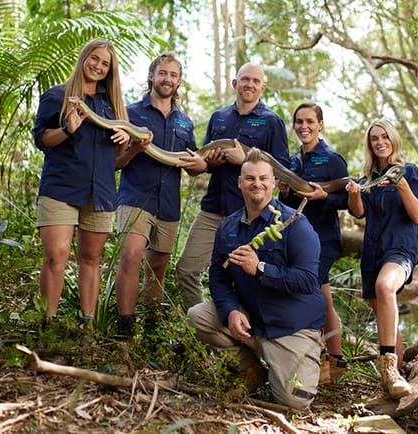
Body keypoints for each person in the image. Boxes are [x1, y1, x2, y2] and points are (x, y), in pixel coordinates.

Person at [188, 148, 325, 410]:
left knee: (294, 402)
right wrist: (230, 311)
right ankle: (252, 367)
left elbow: (308, 280)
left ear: (274, 183)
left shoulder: (295, 223)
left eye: (263, 178)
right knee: (198, 316)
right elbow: (217, 274)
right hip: (251, 322)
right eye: (250, 178)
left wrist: (260, 268)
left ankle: (306, 358)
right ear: (240, 183)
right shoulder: (228, 226)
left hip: (290, 327)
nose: (257, 184)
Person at [32, 38, 133, 328]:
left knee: (91, 258)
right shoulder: (57, 96)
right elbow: (42, 140)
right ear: (84, 58)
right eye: (95, 59)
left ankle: (87, 326)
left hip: (100, 191)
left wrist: (124, 142)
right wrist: (67, 128)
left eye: (105, 64)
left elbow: (112, 158)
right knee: (56, 254)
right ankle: (47, 326)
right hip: (61, 187)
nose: (99, 66)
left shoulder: (111, 107)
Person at [175, 63, 289, 310]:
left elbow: (282, 169)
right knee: (186, 269)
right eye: (245, 79)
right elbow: (204, 160)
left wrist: (245, 161)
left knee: (246, 278)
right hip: (213, 207)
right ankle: (201, 329)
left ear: (262, 87)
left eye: (255, 81)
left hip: (251, 215)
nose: (250, 85)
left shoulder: (272, 122)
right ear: (235, 83)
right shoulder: (219, 117)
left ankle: (243, 336)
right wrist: (207, 162)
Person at [113, 51, 207, 338]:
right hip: (135, 197)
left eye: (173, 75)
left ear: (179, 81)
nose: (168, 79)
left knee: (157, 268)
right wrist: (134, 149)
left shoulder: (185, 122)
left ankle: (152, 330)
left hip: (168, 204)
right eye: (162, 73)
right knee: (130, 255)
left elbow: (190, 164)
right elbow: (116, 162)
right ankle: (125, 327)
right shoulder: (130, 113)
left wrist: (200, 165)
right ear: (152, 76)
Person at [345, 119, 418, 400]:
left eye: (384, 137)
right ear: (369, 145)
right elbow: (358, 213)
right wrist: (355, 194)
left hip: (400, 250)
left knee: (385, 287)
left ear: (393, 139)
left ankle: (388, 366)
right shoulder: (367, 178)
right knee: (382, 311)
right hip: (372, 252)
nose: (380, 142)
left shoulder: (409, 171)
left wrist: (402, 185)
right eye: (374, 139)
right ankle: (396, 381)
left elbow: (417, 215)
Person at [278, 103, 348, 384]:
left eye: (309, 121)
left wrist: (325, 198)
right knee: (324, 296)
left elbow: (349, 201)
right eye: (298, 121)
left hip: (325, 239)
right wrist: (283, 193)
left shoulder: (332, 159)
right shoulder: (293, 162)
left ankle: (316, 358)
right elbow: (288, 205)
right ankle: (337, 361)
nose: (303, 126)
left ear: (321, 124)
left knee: (309, 294)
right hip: (298, 240)